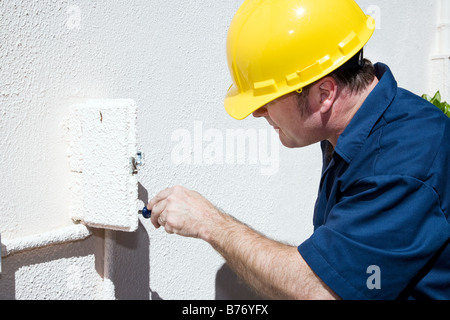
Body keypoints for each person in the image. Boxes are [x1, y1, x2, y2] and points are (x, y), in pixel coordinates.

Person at [147, 0, 450, 299]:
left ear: (324, 94)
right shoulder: (361, 130)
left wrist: (209, 223)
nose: (257, 112)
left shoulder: (400, 163)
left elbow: (324, 290)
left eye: (268, 98)